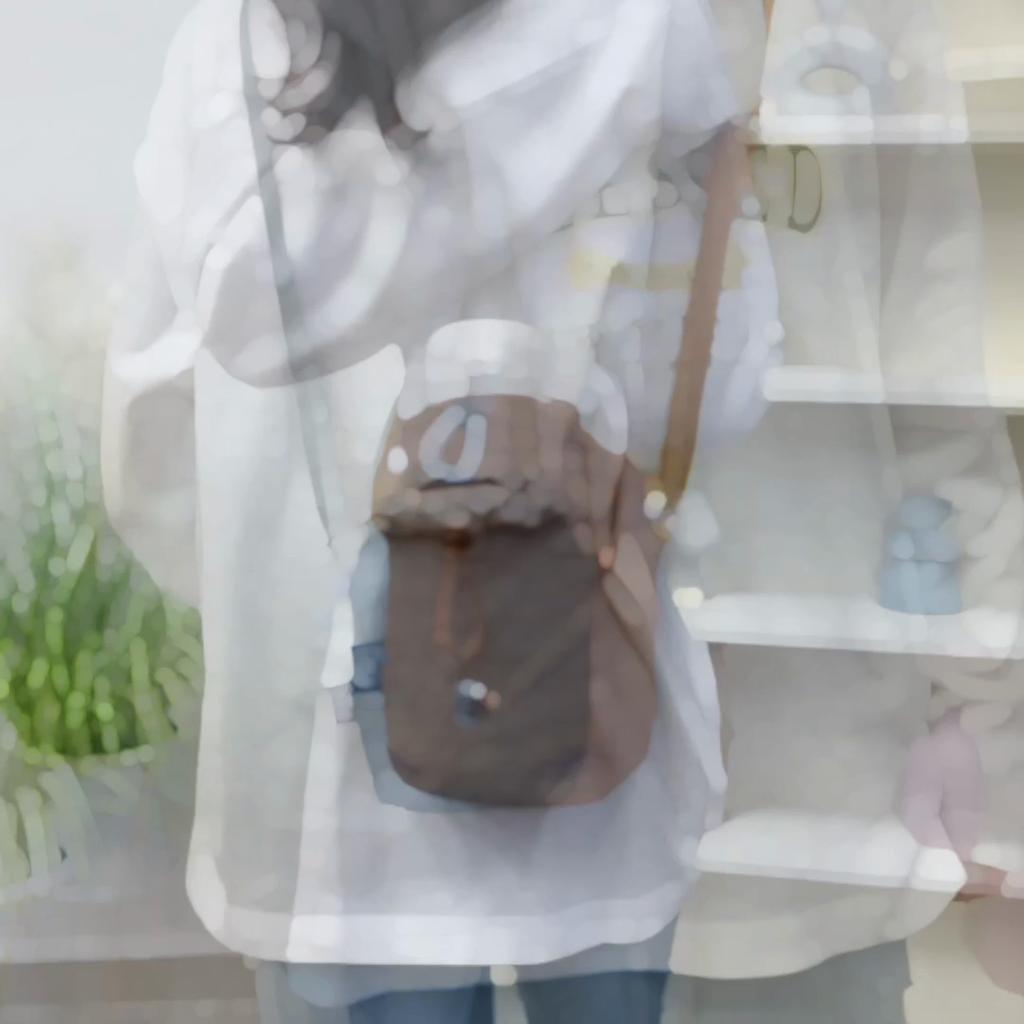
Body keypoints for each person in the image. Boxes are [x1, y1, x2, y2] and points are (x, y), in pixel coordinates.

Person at [102, 0, 776, 1019]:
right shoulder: (653, 34)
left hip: (326, 757)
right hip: (594, 711)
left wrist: (284, 602)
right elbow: (721, 384)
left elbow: (149, 430)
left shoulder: (235, 45)